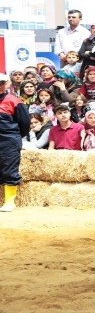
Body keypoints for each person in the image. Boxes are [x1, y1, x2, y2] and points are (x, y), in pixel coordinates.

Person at [0, 74, 30, 212]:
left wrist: (14, 137)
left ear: (6, 84)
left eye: (1, 83)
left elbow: (25, 123)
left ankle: (10, 202)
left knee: (9, 169)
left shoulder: (14, 100)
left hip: (8, 140)